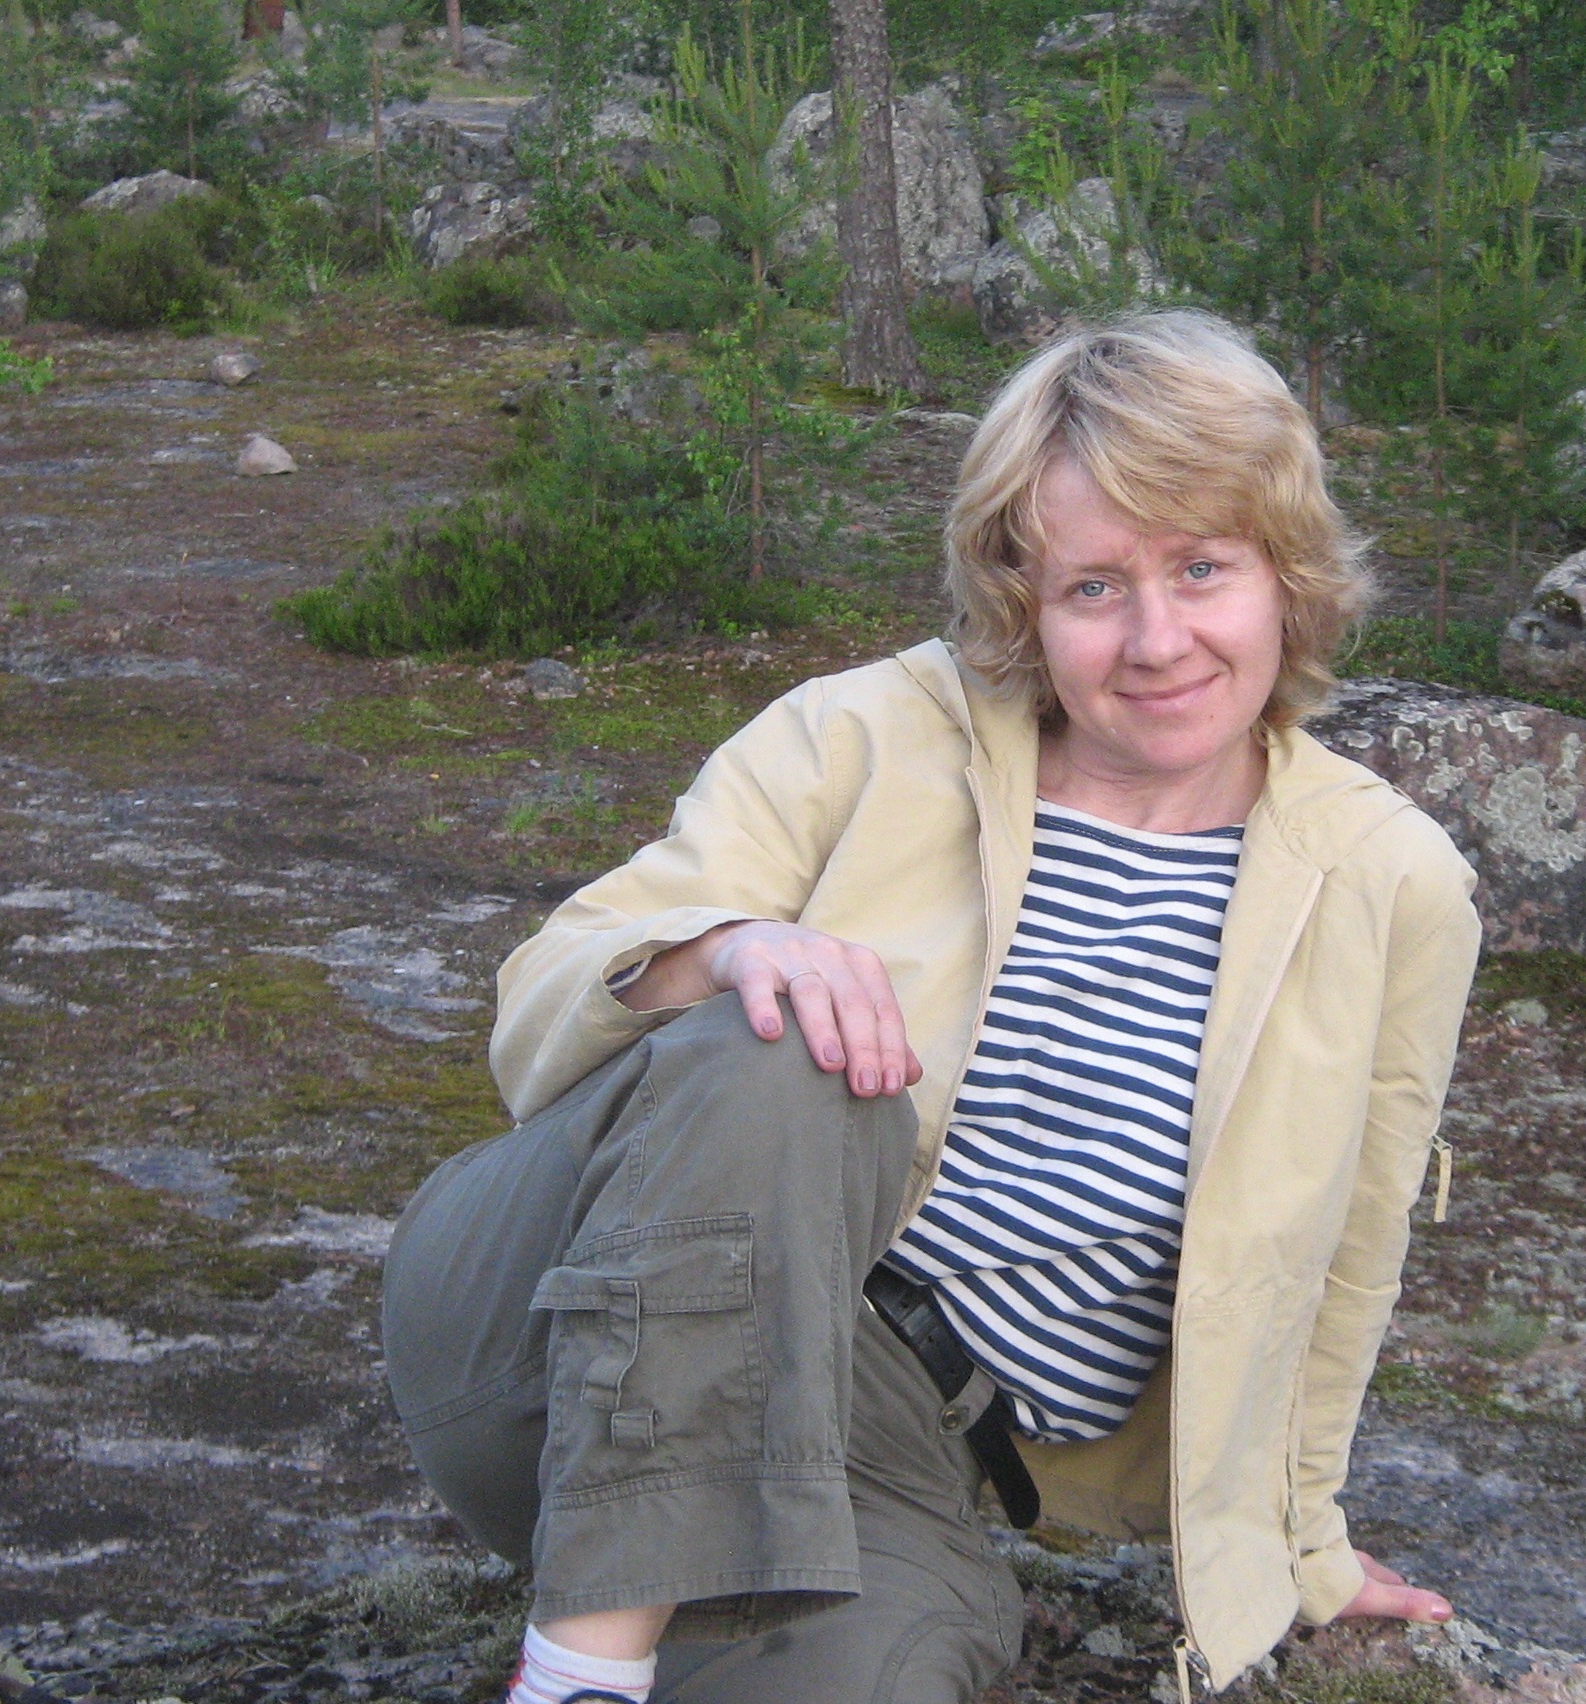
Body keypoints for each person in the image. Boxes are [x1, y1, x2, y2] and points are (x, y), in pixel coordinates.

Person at [381, 309, 1481, 1704]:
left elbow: (1347, 1262)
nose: (1157, 639)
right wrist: (726, 952)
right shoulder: (864, 732)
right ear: (1024, 602)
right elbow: (545, 992)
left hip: (884, 1456)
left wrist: (1304, 1549)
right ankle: (577, 1680)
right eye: (1094, 586)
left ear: (1287, 578)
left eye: (1203, 568)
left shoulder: (1390, 883)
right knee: (800, 1046)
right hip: (541, 1332)